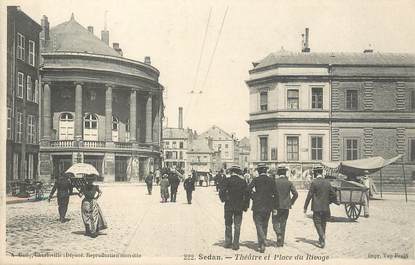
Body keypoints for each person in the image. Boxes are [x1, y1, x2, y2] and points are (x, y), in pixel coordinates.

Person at [304, 166, 337, 248]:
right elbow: (334, 194)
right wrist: (329, 201)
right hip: (325, 207)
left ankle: (322, 236)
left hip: (317, 207)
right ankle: (322, 242)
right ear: (321, 173)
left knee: (317, 222)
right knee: (323, 223)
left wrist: (305, 207)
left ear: (316, 173)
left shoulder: (314, 183)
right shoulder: (327, 182)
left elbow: (309, 195)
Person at [248, 163, 277, 253]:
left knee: (258, 223)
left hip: (257, 205)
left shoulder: (256, 180)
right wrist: (275, 207)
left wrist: (254, 197)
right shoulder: (271, 180)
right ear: (266, 170)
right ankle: (262, 245)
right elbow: (276, 194)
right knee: (265, 225)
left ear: (258, 171)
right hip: (268, 206)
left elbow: (248, 190)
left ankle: (263, 240)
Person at [219, 165, 250, 250]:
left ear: (231, 171)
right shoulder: (243, 181)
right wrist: (246, 205)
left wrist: (224, 199)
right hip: (239, 206)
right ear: (238, 172)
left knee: (228, 224)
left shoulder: (227, 180)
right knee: (237, 225)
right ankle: (236, 244)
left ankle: (228, 242)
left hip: (228, 205)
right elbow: (247, 194)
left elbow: (221, 191)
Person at [272, 165, 298, 247]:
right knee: (283, 223)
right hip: (286, 206)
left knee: (275, 221)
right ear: (285, 173)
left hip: (276, 206)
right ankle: (281, 242)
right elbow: (296, 194)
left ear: (278, 173)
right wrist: (291, 202)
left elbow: (271, 194)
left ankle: (278, 233)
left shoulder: (274, 182)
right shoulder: (289, 182)